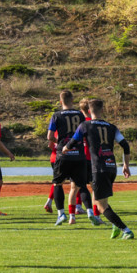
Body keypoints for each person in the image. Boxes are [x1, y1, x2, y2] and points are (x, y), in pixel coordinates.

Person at [60, 99, 134, 239]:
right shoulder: (111, 127)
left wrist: (65, 148)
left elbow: (73, 141)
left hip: (98, 168)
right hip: (111, 166)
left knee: (100, 205)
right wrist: (126, 165)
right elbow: (126, 146)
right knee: (100, 200)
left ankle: (126, 230)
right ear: (102, 110)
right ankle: (116, 225)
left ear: (88, 111)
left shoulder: (85, 125)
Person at [47, 90, 92, 226]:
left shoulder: (56, 115)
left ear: (61, 102)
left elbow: (49, 137)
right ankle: (90, 212)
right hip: (79, 155)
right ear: (72, 101)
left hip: (63, 155)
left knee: (57, 184)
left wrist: (60, 143)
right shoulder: (79, 114)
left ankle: (61, 214)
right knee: (80, 185)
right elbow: (86, 133)